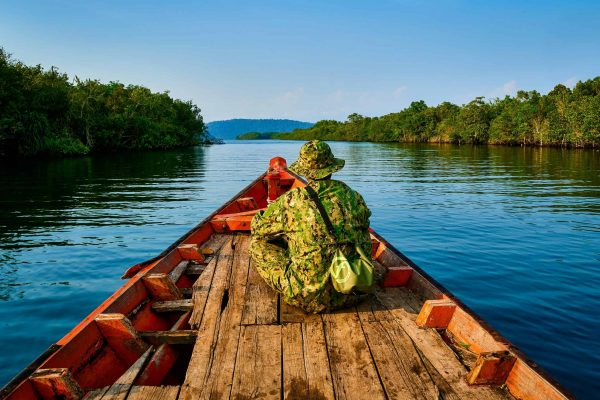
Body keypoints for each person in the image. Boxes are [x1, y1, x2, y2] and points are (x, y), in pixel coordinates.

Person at [250, 140, 372, 313]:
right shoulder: (354, 196)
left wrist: (266, 214)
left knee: (257, 244)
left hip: (307, 297)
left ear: (305, 171)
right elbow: (364, 226)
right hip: (354, 289)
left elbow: (258, 229)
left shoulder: (293, 200)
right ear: (331, 167)